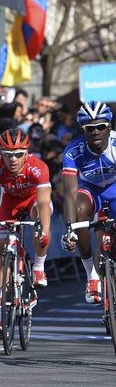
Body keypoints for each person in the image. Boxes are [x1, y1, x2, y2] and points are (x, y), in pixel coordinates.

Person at [0, 129, 51, 338]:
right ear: (1, 154)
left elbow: (44, 202)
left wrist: (43, 226)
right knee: (3, 257)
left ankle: (38, 267)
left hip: (34, 200)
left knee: (40, 221)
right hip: (9, 203)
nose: (13, 159)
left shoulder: (38, 167)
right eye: (8, 155)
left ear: (27, 152)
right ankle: (0, 317)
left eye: (18, 154)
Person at [61, 101, 116, 304]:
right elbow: (69, 192)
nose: (95, 133)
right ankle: (92, 276)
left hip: (114, 189)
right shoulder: (73, 151)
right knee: (77, 209)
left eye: (100, 127)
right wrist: (70, 228)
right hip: (90, 191)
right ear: (83, 131)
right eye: (90, 129)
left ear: (109, 127)